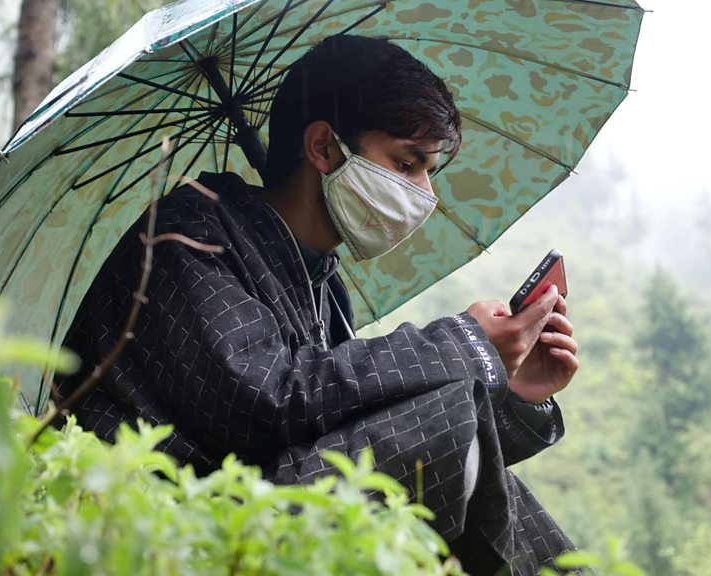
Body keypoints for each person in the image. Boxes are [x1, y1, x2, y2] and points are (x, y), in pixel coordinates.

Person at [54, 34, 579, 575]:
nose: (426, 193)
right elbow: (266, 402)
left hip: (249, 502)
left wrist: (509, 389)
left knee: (450, 425)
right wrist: (465, 344)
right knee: (445, 428)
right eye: (406, 164)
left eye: (428, 171)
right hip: (168, 518)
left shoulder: (324, 285)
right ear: (325, 148)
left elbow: (356, 423)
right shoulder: (189, 232)